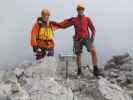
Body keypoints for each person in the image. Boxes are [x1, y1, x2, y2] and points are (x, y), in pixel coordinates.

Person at [54, 4, 101, 77]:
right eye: (79, 9)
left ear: (83, 10)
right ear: (77, 10)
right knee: (78, 55)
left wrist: (92, 37)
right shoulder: (74, 19)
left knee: (93, 52)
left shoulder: (87, 19)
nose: (80, 10)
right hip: (77, 39)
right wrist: (56, 24)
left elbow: (93, 29)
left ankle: (95, 69)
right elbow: (65, 25)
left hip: (86, 38)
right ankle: (79, 71)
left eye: (81, 9)